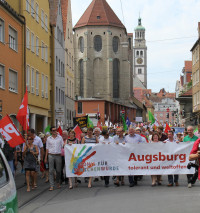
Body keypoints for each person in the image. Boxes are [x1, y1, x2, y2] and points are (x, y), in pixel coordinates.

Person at [45, 126, 64, 191]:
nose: (55, 131)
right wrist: (45, 157)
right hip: (51, 155)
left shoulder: (60, 137)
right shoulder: (48, 138)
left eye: (55, 130)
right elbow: (47, 148)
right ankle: (51, 185)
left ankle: (58, 182)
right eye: (53, 130)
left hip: (58, 155)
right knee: (51, 171)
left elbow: (63, 146)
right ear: (51, 132)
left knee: (58, 170)